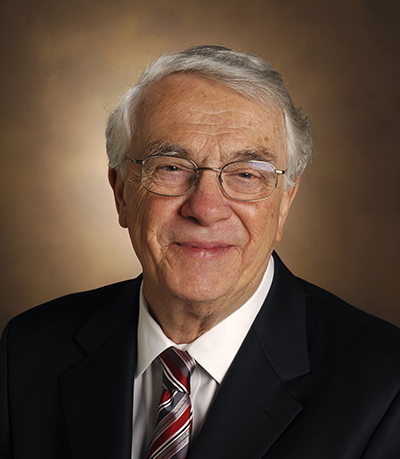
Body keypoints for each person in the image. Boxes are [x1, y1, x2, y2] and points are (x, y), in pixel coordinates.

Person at [1, 45, 400, 459]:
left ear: (284, 203)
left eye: (247, 174)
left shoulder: (385, 385)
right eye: (171, 167)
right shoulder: (28, 353)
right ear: (121, 193)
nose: (206, 209)